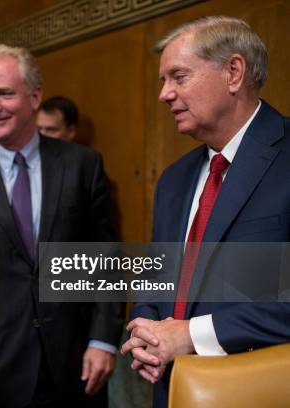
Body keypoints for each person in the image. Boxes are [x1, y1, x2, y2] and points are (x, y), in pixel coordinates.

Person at [0, 44, 124, 407]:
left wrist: (103, 340)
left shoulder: (83, 166)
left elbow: (106, 259)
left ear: (35, 97)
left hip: (76, 366)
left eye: (4, 93)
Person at [121, 16, 290, 408]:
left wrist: (192, 335)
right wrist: (144, 328)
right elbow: (156, 275)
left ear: (233, 72)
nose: (164, 94)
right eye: (163, 80)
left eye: (178, 76)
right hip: (171, 390)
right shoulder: (173, 181)